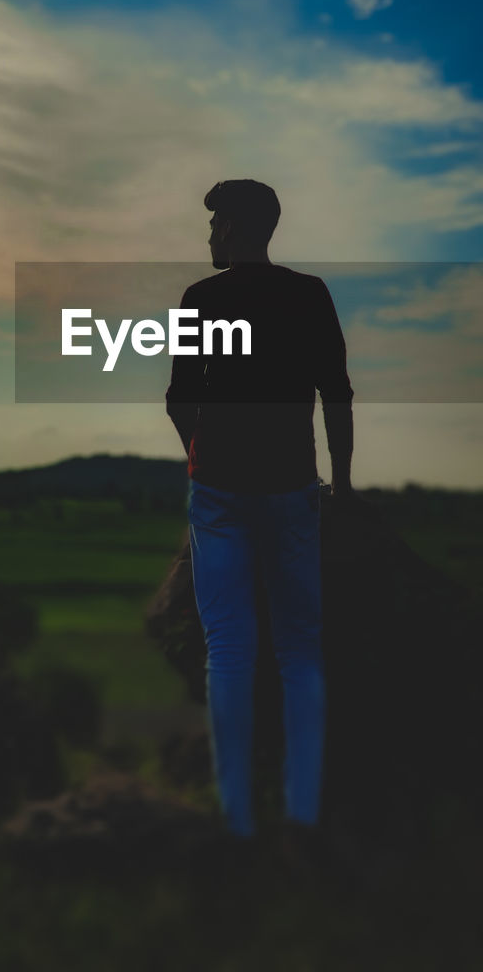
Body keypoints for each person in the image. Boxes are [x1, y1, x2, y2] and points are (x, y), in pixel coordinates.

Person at [165, 179, 354, 853]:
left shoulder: (201, 300)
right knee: (300, 652)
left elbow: (180, 397)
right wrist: (346, 482)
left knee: (230, 653)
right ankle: (302, 817)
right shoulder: (309, 295)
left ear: (240, 230)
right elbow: (336, 392)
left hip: (220, 491)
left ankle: (239, 821)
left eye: (217, 224)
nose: (209, 235)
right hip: (292, 489)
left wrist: (199, 458)